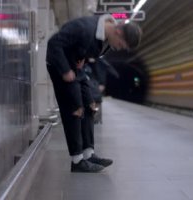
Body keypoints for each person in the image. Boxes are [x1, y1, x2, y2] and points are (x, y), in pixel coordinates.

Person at [46, 14, 142, 172]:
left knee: (90, 104)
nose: (118, 48)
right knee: (75, 108)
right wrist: (64, 70)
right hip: (61, 65)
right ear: (118, 31)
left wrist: (81, 57)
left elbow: (85, 48)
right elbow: (54, 43)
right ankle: (77, 161)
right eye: (121, 44)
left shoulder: (106, 36)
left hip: (76, 66)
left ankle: (88, 154)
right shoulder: (85, 28)